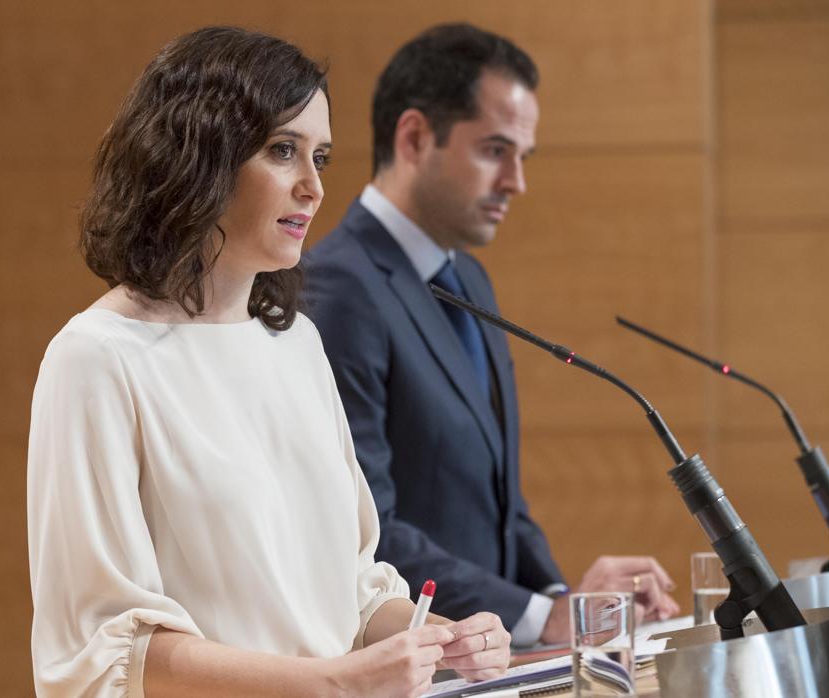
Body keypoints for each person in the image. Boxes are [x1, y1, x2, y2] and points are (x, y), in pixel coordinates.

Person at [27, 27, 510, 698]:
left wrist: (436, 636)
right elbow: (108, 651)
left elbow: (356, 590)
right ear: (198, 156)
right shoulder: (97, 359)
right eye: (284, 151)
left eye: (321, 156)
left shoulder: (298, 343)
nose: (314, 187)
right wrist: (330, 683)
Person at [302, 23, 681, 648]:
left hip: (494, 663)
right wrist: (537, 618)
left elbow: (504, 504)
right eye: (495, 151)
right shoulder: (338, 288)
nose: (516, 181)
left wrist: (562, 604)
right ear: (416, 136)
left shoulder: (466, 278)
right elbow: (370, 530)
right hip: (413, 662)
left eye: (522, 157)